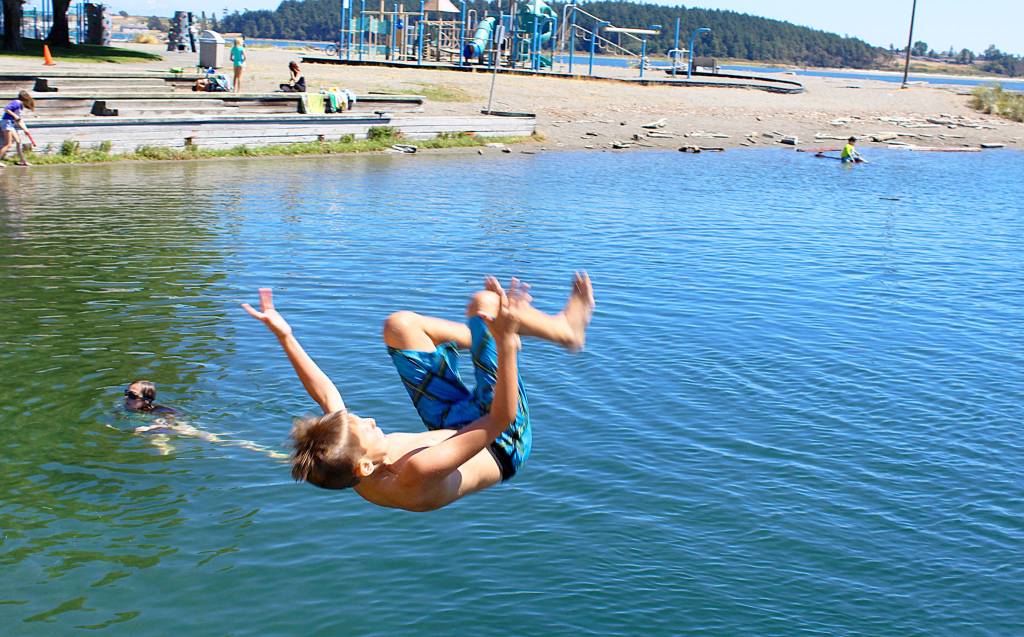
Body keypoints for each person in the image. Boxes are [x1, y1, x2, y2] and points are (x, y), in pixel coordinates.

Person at [241, 273, 594, 512]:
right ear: (365, 464)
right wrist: (504, 346)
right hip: (500, 439)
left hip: (452, 425)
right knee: (485, 303)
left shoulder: (349, 464)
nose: (372, 419)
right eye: (369, 428)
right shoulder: (417, 471)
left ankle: (489, 336)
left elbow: (325, 394)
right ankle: (562, 331)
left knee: (400, 326)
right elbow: (501, 418)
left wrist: (285, 336)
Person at [0, 90, 35, 167]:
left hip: (10, 124)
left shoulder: (20, 106)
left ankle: (23, 161)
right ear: (25, 99)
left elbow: (20, 120)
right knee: (8, 144)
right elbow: (6, 109)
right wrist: (15, 116)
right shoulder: (17, 102)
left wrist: (26, 130)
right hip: (7, 123)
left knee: (18, 141)